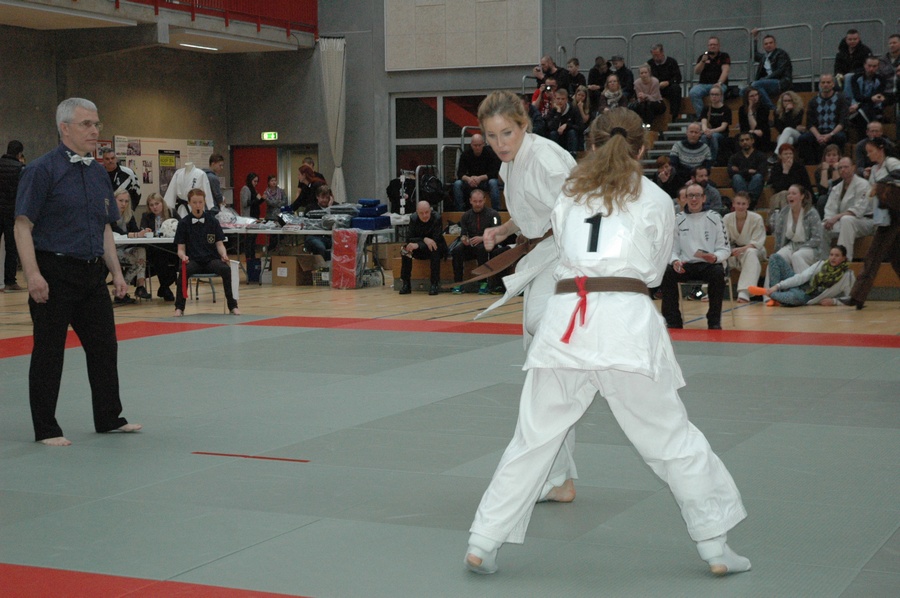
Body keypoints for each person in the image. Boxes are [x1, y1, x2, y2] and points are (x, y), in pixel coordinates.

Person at [465, 108, 750, 576]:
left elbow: (563, 251)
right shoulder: (655, 198)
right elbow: (654, 274)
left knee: (533, 439)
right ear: (642, 149)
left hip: (567, 326)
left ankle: (484, 539)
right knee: (671, 438)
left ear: (592, 145)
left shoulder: (570, 196)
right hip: (624, 326)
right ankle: (714, 546)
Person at [13, 97, 142, 446]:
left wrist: (117, 273)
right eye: (87, 124)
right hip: (53, 271)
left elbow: (104, 228)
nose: (95, 130)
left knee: (104, 348)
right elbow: (22, 226)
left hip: (91, 273)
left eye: (97, 124)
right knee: (49, 352)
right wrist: (33, 275)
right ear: (64, 128)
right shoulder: (40, 170)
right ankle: (46, 427)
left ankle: (109, 416)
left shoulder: (98, 172)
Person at [475, 90, 579, 500]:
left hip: (567, 255)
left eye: (507, 132)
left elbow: (581, 210)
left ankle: (555, 476)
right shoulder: (511, 163)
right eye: (492, 135)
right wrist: (502, 230)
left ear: (524, 126)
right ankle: (559, 479)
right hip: (543, 254)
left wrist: (583, 270)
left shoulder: (547, 160)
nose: (500, 143)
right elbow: (531, 212)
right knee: (545, 369)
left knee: (546, 357)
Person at [660, 182, 731, 330]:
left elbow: (724, 249)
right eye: (690, 196)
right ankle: (673, 321)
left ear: (704, 198)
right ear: (685, 198)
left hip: (709, 265)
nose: (694, 199)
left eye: (697, 195)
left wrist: (715, 257)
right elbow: (671, 249)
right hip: (686, 265)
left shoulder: (715, 218)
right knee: (667, 273)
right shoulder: (677, 219)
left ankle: (714, 321)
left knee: (718, 273)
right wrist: (675, 261)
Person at [173, 188, 240, 317]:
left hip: (211, 260)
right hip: (193, 260)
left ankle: (233, 305)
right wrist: (183, 256)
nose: (198, 205)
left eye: (200, 202)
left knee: (226, 270)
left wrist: (224, 254)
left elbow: (219, 244)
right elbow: (180, 249)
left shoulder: (213, 221)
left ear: (204, 202)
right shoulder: (183, 223)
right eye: (194, 202)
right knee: (183, 271)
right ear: (189, 203)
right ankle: (179, 307)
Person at [843, 161, 900, 309]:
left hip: (891, 218)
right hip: (891, 216)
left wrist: (880, 183)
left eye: (871, 151)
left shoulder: (891, 162)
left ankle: (857, 296)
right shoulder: (884, 166)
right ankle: (857, 297)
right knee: (896, 258)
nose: (868, 155)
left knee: (873, 257)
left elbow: (896, 175)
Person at [750, 245, 854, 306]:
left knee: (792, 298)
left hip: (805, 296)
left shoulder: (847, 275)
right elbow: (802, 277)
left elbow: (852, 298)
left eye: (837, 255)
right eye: (831, 255)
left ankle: (767, 293)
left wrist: (834, 301)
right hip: (800, 285)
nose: (833, 258)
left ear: (844, 258)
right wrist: (778, 286)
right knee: (774, 257)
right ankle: (774, 294)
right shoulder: (821, 264)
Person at [450, 189, 507, 294]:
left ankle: (483, 283)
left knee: (482, 249)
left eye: (480, 201)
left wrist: (482, 238)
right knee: (457, 250)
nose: (478, 204)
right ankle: (458, 283)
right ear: (470, 201)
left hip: (488, 244)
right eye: (475, 201)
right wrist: (464, 239)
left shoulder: (494, 215)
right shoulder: (466, 216)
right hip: (471, 245)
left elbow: (497, 232)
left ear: (484, 200)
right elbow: (463, 233)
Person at [767, 184, 825, 285]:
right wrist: (777, 251)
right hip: (791, 245)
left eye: (794, 193)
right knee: (775, 259)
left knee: (797, 256)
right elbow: (779, 235)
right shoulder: (784, 212)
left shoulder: (811, 213)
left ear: (802, 196)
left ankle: (807, 287)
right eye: (789, 193)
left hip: (811, 248)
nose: (790, 196)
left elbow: (817, 238)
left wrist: (801, 247)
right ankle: (769, 291)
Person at [821, 158, 873, 261]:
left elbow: (859, 209)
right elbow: (830, 208)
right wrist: (828, 220)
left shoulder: (863, 184)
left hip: (865, 221)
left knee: (847, 220)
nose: (842, 170)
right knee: (823, 226)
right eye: (840, 168)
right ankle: (824, 262)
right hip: (844, 223)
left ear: (853, 167)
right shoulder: (837, 188)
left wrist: (837, 217)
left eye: (846, 167)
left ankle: (844, 261)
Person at [723, 192, 766, 302]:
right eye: (738, 203)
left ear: (748, 205)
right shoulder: (727, 218)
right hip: (734, 250)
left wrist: (742, 249)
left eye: (743, 204)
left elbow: (757, 242)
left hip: (755, 250)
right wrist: (730, 251)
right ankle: (711, 291)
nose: (741, 206)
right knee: (719, 256)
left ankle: (744, 292)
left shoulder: (756, 218)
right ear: (733, 204)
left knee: (750, 252)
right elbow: (723, 240)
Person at [797, 74, 848, 165]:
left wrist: (830, 135)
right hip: (818, 132)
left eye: (828, 82)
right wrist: (818, 136)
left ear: (833, 84)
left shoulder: (841, 99)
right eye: (823, 82)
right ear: (820, 84)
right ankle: (811, 166)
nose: (825, 85)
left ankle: (838, 164)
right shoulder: (813, 101)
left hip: (834, 132)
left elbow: (842, 122)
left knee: (841, 137)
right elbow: (810, 123)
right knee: (803, 138)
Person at [398, 200, 446, 296]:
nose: (425, 215)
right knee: (405, 250)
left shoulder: (437, 218)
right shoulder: (413, 218)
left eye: (427, 212)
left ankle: (434, 284)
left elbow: (436, 239)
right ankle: (406, 284)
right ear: (417, 212)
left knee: (434, 248)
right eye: (421, 213)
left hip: (436, 248)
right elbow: (409, 238)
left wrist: (419, 244)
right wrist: (424, 240)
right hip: (420, 248)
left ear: (430, 210)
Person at [111, 190, 151, 302]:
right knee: (139, 261)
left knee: (141, 251)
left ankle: (139, 286)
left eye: (126, 201)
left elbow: (135, 230)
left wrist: (143, 232)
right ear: (114, 200)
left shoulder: (129, 214)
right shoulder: (108, 215)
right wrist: (134, 235)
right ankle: (122, 291)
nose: (124, 204)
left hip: (125, 248)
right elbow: (117, 232)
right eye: (120, 201)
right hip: (112, 251)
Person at [139, 192, 177, 301]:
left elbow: (181, 226)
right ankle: (165, 289)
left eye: (157, 204)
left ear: (162, 203)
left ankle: (163, 287)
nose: (154, 207)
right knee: (160, 257)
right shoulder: (146, 216)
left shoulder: (172, 213)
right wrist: (145, 231)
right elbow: (142, 229)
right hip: (154, 248)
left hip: (171, 247)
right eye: (151, 205)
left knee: (177, 259)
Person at [453, 133, 502, 210]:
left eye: (479, 145)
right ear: (471, 145)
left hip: (486, 181)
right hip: (471, 181)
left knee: (493, 182)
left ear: (483, 144)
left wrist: (480, 178)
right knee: (457, 184)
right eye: (475, 145)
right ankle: (460, 211)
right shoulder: (465, 154)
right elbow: (460, 173)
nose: (477, 147)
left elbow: (494, 173)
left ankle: (496, 210)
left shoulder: (491, 153)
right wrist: (469, 179)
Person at [845, 56, 892, 136]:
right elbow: (857, 96)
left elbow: (876, 98)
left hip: (869, 106)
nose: (871, 69)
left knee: (861, 112)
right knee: (863, 111)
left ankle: (866, 138)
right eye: (869, 66)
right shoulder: (856, 77)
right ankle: (876, 135)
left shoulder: (881, 79)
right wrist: (868, 100)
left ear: (878, 66)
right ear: (864, 65)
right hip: (858, 104)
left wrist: (860, 105)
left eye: (874, 66)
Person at [1, 140, 25, 291]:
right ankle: (10, 281)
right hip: (11, 212)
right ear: (19, 153)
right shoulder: (20, 169)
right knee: (11, 248)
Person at [749, 29, 793, 111]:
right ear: (763, 46)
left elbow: (780, 71)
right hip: (768, 83)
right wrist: (754, 39)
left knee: (756, 85)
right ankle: (752, 111)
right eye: (766, 44)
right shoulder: (764, 57)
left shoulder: (781, 54)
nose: (768, 45)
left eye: (770, 43)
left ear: (775, 44)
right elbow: (754, 55)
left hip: (781, 82)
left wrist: (765, 79)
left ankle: (772, 108)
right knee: (744, 91)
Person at [690, 37, 731, 119]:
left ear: (718, 46)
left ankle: (718, 117)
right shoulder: (703, 56)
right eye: (711, 45)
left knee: (718, 91)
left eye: (715, 44)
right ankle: (702, 117)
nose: (713, 46)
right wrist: (702, 61)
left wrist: (719, 83)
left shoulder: (724, 56)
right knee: (693, 92)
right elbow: (697, 71)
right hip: (703, 85)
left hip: (719, 84)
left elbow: (725, 71)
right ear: (708, 46)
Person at [728, 133, 768, 208]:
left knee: (758, 177)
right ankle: (745, 202)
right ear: (739, 143)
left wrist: (740, 171)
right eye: (742, 140)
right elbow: (731, 173)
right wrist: (748, 171)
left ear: (752, 141)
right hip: (739, 183)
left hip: (756, 183)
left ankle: (749, 203)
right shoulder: (734, 157)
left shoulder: (761, 156)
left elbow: (762, 172)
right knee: (736, 177)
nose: (744, 142)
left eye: (747, 139)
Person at [767, 144, 812, 210]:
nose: (788, 156)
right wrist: (785, 171)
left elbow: (805, 185)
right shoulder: (776, 168)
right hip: (781, 195)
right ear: (780, 156)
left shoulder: (799, 167)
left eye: (790, 154)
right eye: (785, 154)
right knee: (784, 194)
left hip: (798, 194)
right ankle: (786, 215)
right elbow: (778, 188)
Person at [669, 122, 712, 189]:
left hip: (699, 179)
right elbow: (673, 165)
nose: (693, 134)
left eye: (696, 132)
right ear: (687, 133)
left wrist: (694, 180)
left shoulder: (705, 148)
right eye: (691, 132)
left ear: (700, 134)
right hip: (680, 178)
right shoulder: (677, 146)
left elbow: (707, 168)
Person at [647, 43, 682, 117]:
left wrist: (668, 82)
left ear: (662, 52)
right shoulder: (649, 64)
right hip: (655, 88)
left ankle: (674, 115)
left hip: (669, 87)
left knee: (676, 89)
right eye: (654, 56)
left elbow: (678, 77)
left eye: (657, 55)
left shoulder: (672, 62)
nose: (655, 58)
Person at [699, 86, 732, 164]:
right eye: (712, 94)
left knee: (714, 137)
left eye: (716, 94)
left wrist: (711, 131)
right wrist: (706, 131)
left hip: (721, 133)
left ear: (721, 96)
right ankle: (704, 159)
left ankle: (712, 159)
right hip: (708, 131)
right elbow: (703, 122)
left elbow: (723, 127)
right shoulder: (706, 108)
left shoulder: (726, 109)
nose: (714, 96)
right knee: (703, 137)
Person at [546, 88, 584, 154]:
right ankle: (554, 155)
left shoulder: (573, 110)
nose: (560, 101)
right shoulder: (552, 111)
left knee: (572, 132)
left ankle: (573, 155)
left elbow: (580, 127)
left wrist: (567, 125)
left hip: (570, 137)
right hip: (558, 138)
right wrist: (558, 113)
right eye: (558, 99)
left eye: (563, 99)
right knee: (553, 133)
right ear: (555, 99)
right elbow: (550, 127)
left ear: (566, 100)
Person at [303, 185, 335, 260]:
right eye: (322, 198)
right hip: (314, 236)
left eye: (327, 198)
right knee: (320, 247)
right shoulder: (310, 208)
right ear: (317, 197)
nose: (325, 200)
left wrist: (330, 208)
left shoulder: (335, 207)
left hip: (330, 236)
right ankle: (321, 265)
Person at [738, 87, 772, 153]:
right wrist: (749, 110)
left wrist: (753, 131)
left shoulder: (764, 108)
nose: (755, 97)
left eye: (756, 95)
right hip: (748, 132)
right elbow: (743, 126)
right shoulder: (742, 109)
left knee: (755, 136)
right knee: (739, 137)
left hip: (762, 132)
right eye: (752, 96)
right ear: (747, 98)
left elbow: (758, 127)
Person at [239, 172, 264, 261]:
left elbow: (256, 203)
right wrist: (257, 199)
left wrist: (262, 199)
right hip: (249, 217)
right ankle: (248, 256)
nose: (256, 183)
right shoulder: (245, 189)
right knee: (249, 238)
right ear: (250, 180)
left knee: (253, 238)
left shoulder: (254, 190)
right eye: (254, 181)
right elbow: (245, 203)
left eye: (257, 181)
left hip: (255, 216)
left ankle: (252, 256)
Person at [773, 90, 805, 158]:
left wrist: (788, 113)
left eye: (789, 100)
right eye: (785, 101)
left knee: (788, 129)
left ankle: (776, 153)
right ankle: (785, 159)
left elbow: (793, 126)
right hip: (783, 135)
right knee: (789, 140)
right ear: (782, 102)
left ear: (794, 101)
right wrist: (786, 112)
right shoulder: (777, 112)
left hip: (796, 134)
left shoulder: (799, 110)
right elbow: (779, 128)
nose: (787, 103)